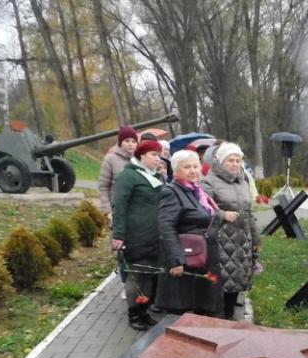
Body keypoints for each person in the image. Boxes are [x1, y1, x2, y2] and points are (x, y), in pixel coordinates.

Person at [156, 150, 239, 316]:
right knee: (185, 309)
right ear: (176, 170)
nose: (193, 170)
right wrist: (176, 261)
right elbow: (166, 227)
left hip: (203, 257)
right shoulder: (172, 192)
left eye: (195, 166)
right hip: (186, 260)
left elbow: (204, 216)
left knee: (205, 305)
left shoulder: (196, 191)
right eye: (187, 167)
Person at [201, 142, 260, 320]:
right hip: (220, 239)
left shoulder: (243, 181)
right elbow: (201, 210)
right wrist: (222, 214)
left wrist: (256, 238)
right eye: (230, 160)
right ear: (221, 161)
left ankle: (229, 315)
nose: (235, 164)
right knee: (221, 280)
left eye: (238, 160)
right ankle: (217, 317)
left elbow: (249, 212)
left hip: (242, 238)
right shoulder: (208, 181)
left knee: (237, 279)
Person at [111, 139, 165, 331]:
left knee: (150, 275)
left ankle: (144, 311)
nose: (157, 159)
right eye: (153, 155)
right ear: (141, 155)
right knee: (137, 275)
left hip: (154, 236)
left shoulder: (157, 176)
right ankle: (134, 314)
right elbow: (119, 207)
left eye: (159, 155)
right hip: (136, 236)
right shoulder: (128, 176)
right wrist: (118, 235)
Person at [99, 126, 139, 226]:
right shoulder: (110, 159)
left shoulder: (139, 160)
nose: (131, 144)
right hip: (117, 211)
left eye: (134, 141)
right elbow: (103, 187)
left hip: (138, 211)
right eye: (127, 141)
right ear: (120, 142)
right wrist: (108, 211)